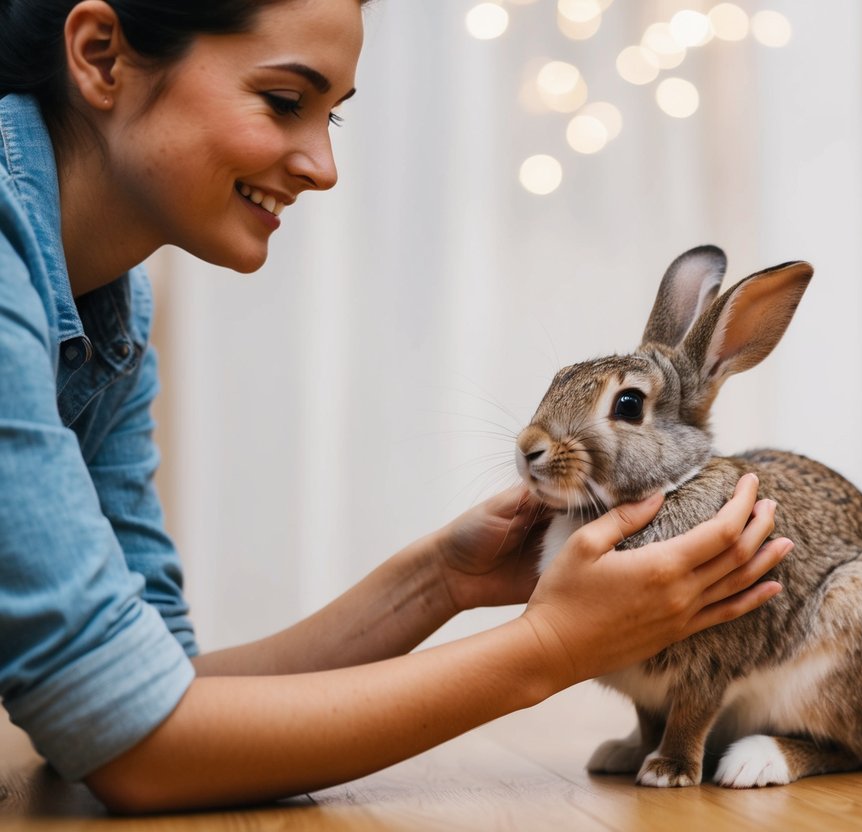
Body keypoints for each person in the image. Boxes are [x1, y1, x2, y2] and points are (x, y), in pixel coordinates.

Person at [0, 0, 791, 814]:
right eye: (283, 101)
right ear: (100, 57)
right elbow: (135, 747)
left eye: (333, 114)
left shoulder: (110, 307)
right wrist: (549, 647)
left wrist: (442, 579)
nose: (323, 165)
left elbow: (149, 684)